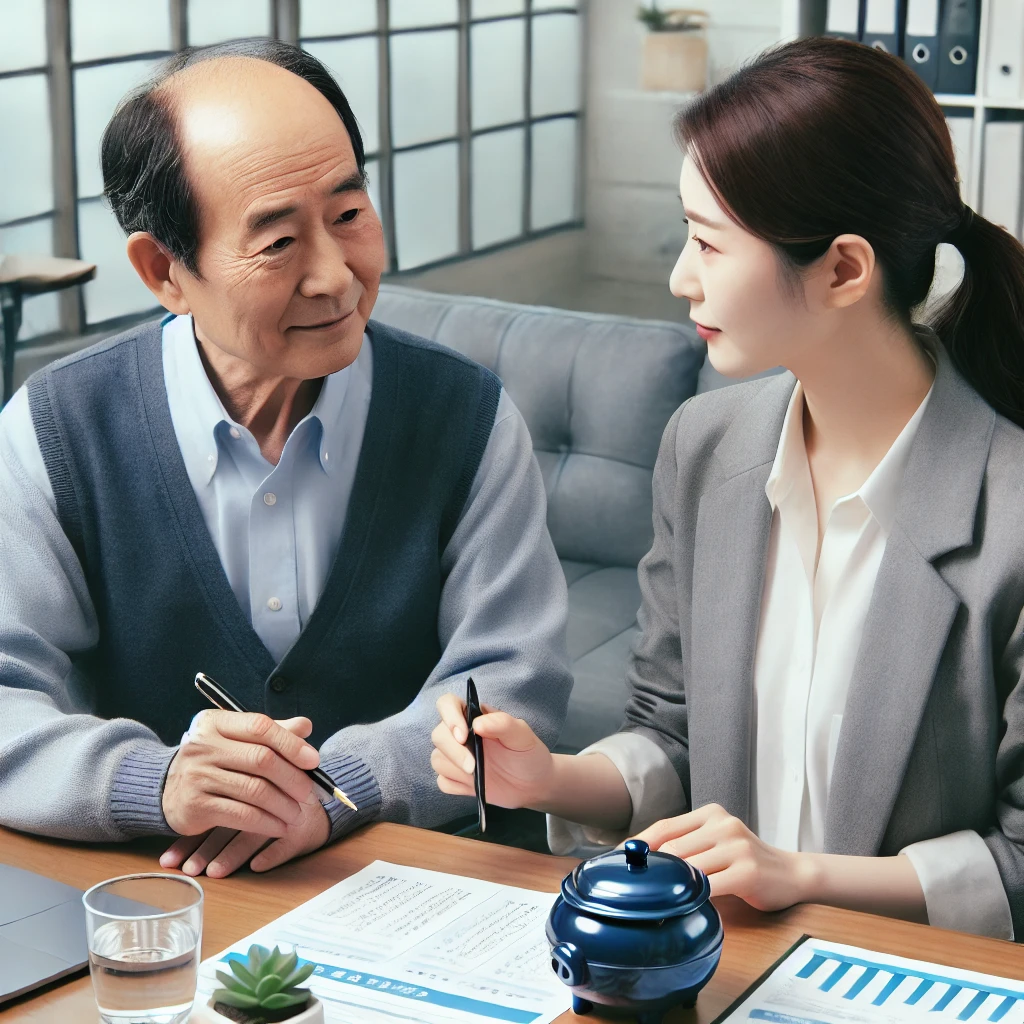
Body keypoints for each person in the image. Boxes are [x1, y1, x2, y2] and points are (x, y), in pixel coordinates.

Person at [431, 36, 1024, 941]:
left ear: (842, 270)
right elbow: (670, 732)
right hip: (726, 972)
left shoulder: (1011, 509)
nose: (679, 276)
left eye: (708, 242)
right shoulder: (707, 448)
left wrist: (803, 876)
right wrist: (547, 778)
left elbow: (1018, 860)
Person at [0, 39, 571, 878]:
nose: (338, 278)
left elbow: (515, 682)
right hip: (160, 898)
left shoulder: (466, 416)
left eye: (349, 214)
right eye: (277, 243)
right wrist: (153, 782)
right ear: (165, 269)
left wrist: (341, 787)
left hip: (417, 884)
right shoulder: (54, 430)